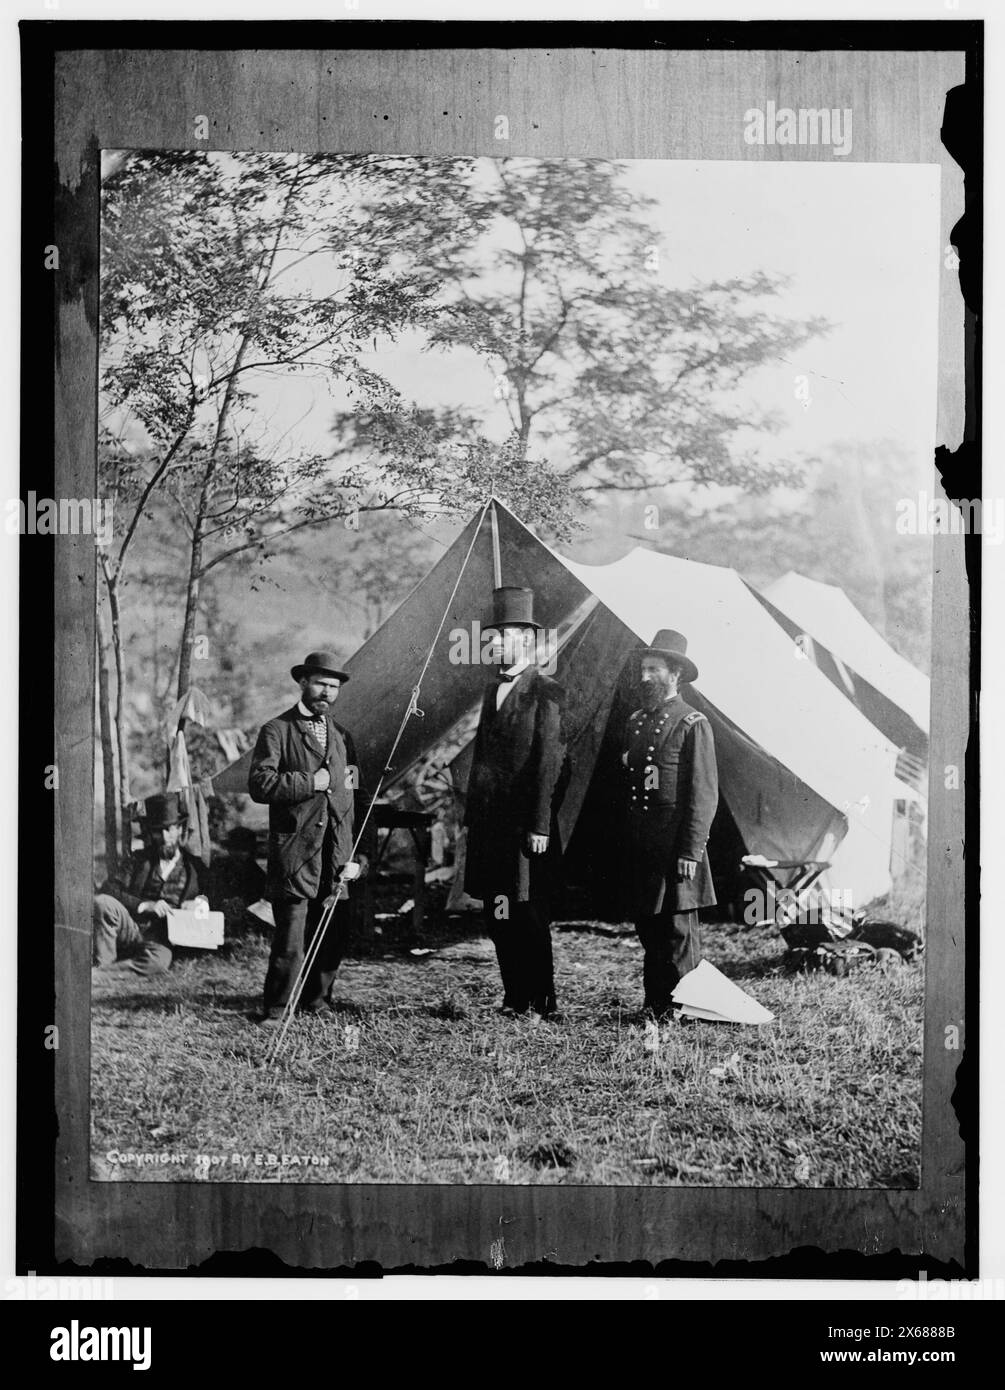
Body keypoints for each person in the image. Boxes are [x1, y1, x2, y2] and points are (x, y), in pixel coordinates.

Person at [463, 587, 568, 1019]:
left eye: (501, 638)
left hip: (526, 828)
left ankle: (543, 1002)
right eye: (490, 639)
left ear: (526, 640)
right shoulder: (492, 692)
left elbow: (548, 762)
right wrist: (472, 818)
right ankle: (514, 997)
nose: (493, 645)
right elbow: (483, 759)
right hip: (490, 827)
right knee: (498, 912)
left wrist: (539, 825)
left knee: (527, 913)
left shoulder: (546, 691)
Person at [248, 651, 370, 1025]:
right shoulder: (276, 730)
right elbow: (259, 784)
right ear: (303, 682)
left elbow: (352, 796)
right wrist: (308, 783)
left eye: (334, 687)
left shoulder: (344, 737)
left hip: (334, 853)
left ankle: (317, 1002)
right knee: (291, 938)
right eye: (321, 684)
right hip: (295, 852)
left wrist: (355, 855)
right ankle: (276, 1009)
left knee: (332, 932)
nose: (327, 693)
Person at [622, 630, 719, 1020]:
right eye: (643, 668)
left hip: (676, 845)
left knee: (678, 931)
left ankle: (686, 1005)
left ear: (674, 672)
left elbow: (703, 793)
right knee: (649, 927)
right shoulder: (636, 721)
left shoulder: (693, 723)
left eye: (654, 669)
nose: (645, 676)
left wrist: (690, 851)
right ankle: (656, 1003)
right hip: (645, 844)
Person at [92, 792, 204, 976]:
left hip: (163, 937)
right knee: (102, 902)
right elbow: (109, 889)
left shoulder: (194, 867)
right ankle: (105, 962)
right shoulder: (138, 860)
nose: (164, 836)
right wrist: (144, 905)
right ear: (150, 833)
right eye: (158, 831)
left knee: (158, 963)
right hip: (131, 929)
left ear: (178, 829)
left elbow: (210, 896)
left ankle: (102, 974)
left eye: (169, 829)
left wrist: (199, 904)